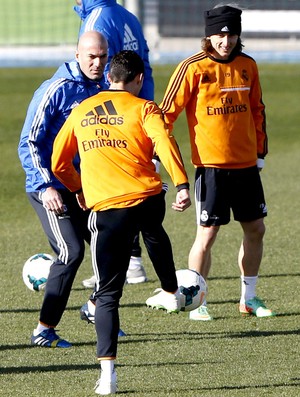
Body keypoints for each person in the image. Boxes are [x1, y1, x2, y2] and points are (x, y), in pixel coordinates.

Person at [51, 50, 191, 395]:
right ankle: (172, 290)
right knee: (154, 231)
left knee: (108, 294)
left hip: (107, 210)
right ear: (139, 79)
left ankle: (107, 377)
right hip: (146, 198)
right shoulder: (144, 108)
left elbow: (58, 161)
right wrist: (182, 184)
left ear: (108, 77)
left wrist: (78, 189)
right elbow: (164, 143)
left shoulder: (81, 110)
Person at [159, 5, 275, 321]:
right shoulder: (192, 68)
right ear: (209, 35)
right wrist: (157, 152)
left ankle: (249, 298)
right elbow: (164, 114)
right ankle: (198, 301)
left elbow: (258, 110)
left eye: (231, 34)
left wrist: (260, 153)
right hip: (211, 169)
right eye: (220, 34)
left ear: (238, 35)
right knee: (207, 235)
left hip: (247, 168)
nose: (225, 41)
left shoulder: (248, 65)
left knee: (256, 229)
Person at [18, 31, 110, 348]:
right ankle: (44, 329)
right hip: (50, 188)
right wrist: (45, 186)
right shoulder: (55, 90)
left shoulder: (103, 87)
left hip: (82, 185)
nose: (98, 63)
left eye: (102, 56)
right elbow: (28, 142)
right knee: (71, 251)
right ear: (77, 55)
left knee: (111, 241)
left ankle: (97, 308)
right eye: (91, 57)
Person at [74, 0, 155, 287]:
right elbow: (144, 66)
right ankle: (132, 261)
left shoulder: (98, 18)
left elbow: (97, 75)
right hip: (138, 112)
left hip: (109, 116)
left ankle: (112, 264)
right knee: (131, 186)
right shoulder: (127, 16)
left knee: (107, 185)